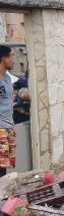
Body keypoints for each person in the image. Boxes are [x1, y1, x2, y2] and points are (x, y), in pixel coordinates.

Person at [0, 46, 17, 176]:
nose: (13, 60)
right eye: (11, 56)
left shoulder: (8, 78)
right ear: (3, 58)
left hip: (8, 126)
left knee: (4, 167)